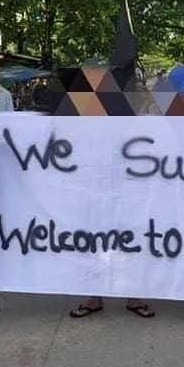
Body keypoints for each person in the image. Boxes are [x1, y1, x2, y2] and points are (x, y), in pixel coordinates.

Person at [70, 76, 157, 320]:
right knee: (95, 244)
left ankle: (134, 297)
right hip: (97, 193)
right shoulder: (94, 119)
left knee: (132, 245)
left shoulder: (147, 122)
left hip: (132, 195)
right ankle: (93, 297)